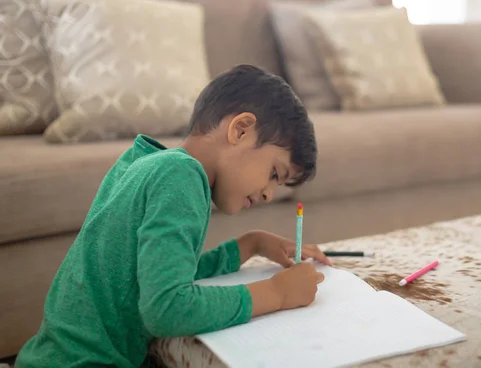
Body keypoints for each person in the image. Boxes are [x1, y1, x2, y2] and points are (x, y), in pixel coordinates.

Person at [15, 64, 331, 368]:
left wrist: (250, 245)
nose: (268, 194)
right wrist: (276, 293)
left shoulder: (148, 163)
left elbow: (158, 275)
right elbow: (166, 308)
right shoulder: (181, 176)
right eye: (275, 173)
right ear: (241, 129)